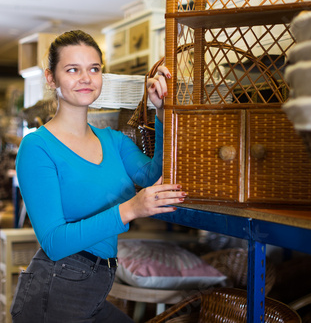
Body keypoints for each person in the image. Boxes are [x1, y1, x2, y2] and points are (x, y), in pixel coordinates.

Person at [10, 30, 186, 322]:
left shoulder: (114, 141)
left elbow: (154, 175)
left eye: (94, 69)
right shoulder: (37, 147)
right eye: (72, 70)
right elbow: (53, 241)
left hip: (92, 286)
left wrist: (162, 112)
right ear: (51, 78)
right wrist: (131, 209)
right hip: (54, 291)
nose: (86, 78)